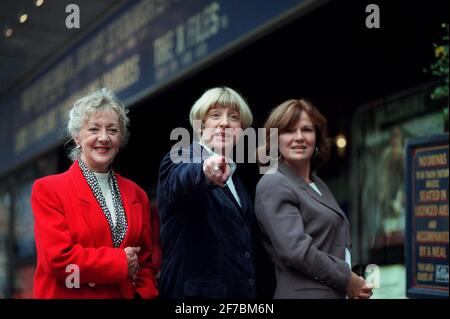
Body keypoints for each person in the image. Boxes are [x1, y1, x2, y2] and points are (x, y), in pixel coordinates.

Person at [31, 88, 161, 298]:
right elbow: (58, 260)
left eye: (112, 130)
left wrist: (143, 295)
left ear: (121, 140)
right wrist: (120, 262)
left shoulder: (137, 194)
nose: (104, 138)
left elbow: (146, 263)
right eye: (93, 129)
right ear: (77, 137)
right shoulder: (48, 189)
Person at [255, 99, 373, 299]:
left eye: (307, 130)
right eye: (289, 131)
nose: (299, 137)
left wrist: (356, 281)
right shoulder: (273, 183)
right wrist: (347, 279)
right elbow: (296, 251)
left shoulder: (319, 183)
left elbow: (333, 244)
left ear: (317, 138)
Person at [157, 86, 258, 298]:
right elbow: (179, 181)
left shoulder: (236, 179)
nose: (225, 123)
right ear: (201, 125)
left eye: (233, 117)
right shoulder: (182, 156)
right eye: (215, 115)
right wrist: (204, 170)